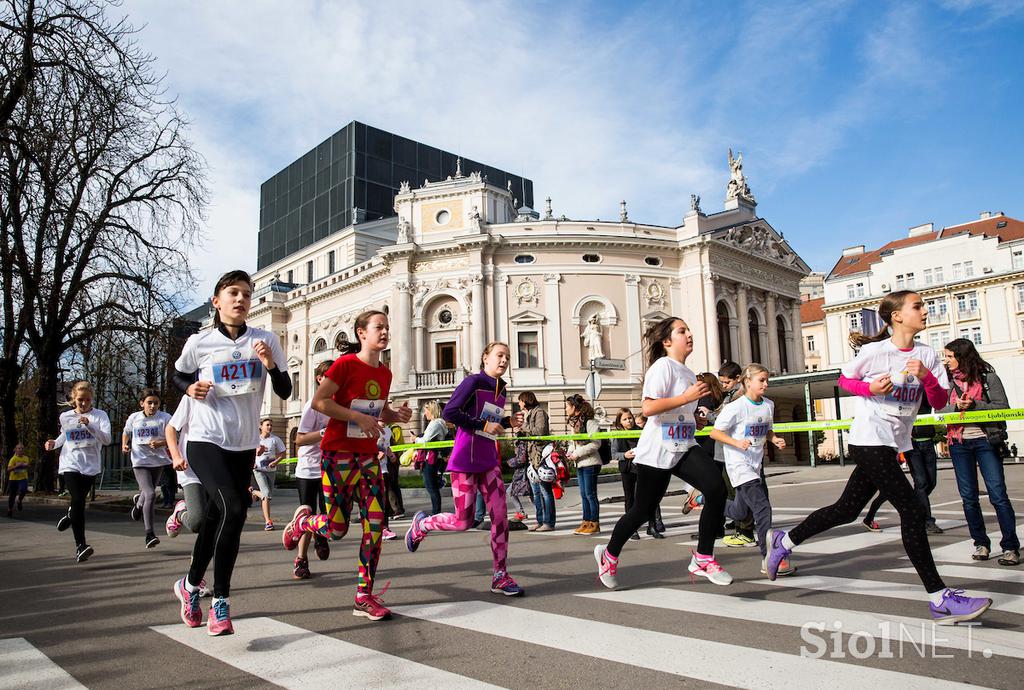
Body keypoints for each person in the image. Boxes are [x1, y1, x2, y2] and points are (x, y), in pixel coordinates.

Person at [764, 290, 992, 624]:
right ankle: (938, 598)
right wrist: (870, 389)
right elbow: (845, 381)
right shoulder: (875, 352)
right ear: (896, 316)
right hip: (869, 439)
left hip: (894, 443)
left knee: (846, 509)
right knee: (912, 510)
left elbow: (941, 400)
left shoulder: (928, 355)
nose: (925, 311)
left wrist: (926, 377)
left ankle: (785, 539)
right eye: (918, 306)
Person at [170, 269, 291, 636]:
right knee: (235, 510)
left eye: (246, 294)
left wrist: (269, 364)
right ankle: (219, 602)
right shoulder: (199, 341)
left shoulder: (265, 339)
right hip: (206, 441)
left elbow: (284, 390)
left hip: (242, 444)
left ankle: (190, 586)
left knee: (213, 517)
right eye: (233, 293)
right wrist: (190, 389)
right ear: (217, 301)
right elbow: (178, 375)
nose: (241, 299)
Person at [280, 310, 411, 622]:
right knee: (337, 529)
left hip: (367, 457)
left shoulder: (385, 373)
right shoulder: (345, 364)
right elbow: (319, 403)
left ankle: (363, 596)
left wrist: (395, 416)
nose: (384, 332)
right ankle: (303, 524)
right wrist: (356, 417)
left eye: (387, 328)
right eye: (378, 327)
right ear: (361, 333)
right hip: (337, 454)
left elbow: (377, 411)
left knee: (376, 524)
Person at [595, 317, 731, 589]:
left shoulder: (688, 373)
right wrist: (686, 399)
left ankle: (703, 557)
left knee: (716, 488)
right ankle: (608, 555)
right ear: (667, 341)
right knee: (642, 512)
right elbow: (648, 409)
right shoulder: (663, 366)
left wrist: (696, 419)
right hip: (657, 449)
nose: (689, 334)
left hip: (683, 446)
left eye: (689, 329)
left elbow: (680, 412)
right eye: (683, 331)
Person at [405, 342, 526, 597]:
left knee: (500, 518)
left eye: (507, 356)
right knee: (463, 522)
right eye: (499, 355)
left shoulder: (501, 389)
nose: (504, 360)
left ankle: (500, 575)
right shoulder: (473, 382)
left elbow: (489, 423)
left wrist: (506, 421)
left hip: (488, 461)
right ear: (485, 358)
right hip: (464, 461)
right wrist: (484, 424)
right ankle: (422, 525)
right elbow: (450, 412)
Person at [940, 338, 1019, 566]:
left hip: (986, 441)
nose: (946, 361)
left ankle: (1010, 547)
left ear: (962, 356)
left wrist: (975, 405)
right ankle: (981, 543)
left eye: (949, 356)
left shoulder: (988, 379)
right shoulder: (947, 382)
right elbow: (939, 409)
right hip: (958, 443)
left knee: (998, 495)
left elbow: (1002, 408)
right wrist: (955, 407)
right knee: (968, 498)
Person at [709, 363, 793, 576]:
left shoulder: (768, 405)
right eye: (761, 380)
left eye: (766, 380)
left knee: (739, 511)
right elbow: (715, 433)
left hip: (755, 464)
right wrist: (736, 443)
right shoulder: (735, 407)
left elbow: (767, 429)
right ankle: (768, 557)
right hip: (739, 465)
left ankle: (703, 500)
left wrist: (774, 440)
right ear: (747, 382)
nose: (766, 384)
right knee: (763, 508)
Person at [45, 380, 110, 563]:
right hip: (70, 463)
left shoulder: (100, 416)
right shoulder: (65, 417)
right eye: (80, 400)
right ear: (74, 399)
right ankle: (81, 545)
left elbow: (106, 439)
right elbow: (65, 436)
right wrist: (53, 444)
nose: (84, 403)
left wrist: (90, 425)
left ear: (92, 400)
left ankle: (70, 514)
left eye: (87, 400)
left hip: (90, 466)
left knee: (79, 502)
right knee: (78, 500)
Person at [860, 396, 943, 535]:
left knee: (927, 484)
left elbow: (938, 401)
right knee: (916, 485)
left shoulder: (924, 391)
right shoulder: (901, 395)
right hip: (908, 445)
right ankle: (928, 521)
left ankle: (869, 517)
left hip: (927, 442)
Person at [162, 395, 211, 597]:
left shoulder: (235, 398)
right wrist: (175, 455)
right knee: (198, 522)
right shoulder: (193, 396)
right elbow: (171, 428)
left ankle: (195, 579)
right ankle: (181, 512)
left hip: (216, 471)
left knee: (211, 530)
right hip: (190, 468)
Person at [290, 360, 333, 580]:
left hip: (328, 468)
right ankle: (301, 560)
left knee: (330, 514)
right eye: (331, 377)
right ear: (320, 379)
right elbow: (299, 439)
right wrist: (325, 433)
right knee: (306, 515)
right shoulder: (312, 406)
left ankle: (321, 537)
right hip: (308, 469)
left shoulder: (338, 405)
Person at [122, 388, 172, 548]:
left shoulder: (165, 418)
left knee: (146, 491)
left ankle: (137, 507)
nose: (152, 406)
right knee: (150, 493)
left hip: (158, 460)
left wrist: (161, 443)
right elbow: (126, 432)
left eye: (156, 403)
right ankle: (149, 534)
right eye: (149, 403)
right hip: (140, 460)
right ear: (142, 403)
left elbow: (174, 437)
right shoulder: (134, 418)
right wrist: (124, 444)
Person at [612, 408, 661, 540]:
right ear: (620, 422)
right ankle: (632, 528)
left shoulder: (641, 432)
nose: (628, 421)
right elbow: (614, 453)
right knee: (629, 498)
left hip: (643, 467)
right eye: (625, 419)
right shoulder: (618, 435)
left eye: (630, 418)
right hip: (627, 469)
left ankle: (652, 526)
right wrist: (624, 455)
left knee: (647, 497)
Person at [565, 393, 602, 535]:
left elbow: (596, 443)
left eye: (567, 406)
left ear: (575, 407)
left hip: (591, 462)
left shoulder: (590, 422)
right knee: (583, 494)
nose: (566, 409)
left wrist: (577, 453)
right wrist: (570, 452)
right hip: (579, 462)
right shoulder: (573, 423)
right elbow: (572, 442)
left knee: (590, 494)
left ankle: (594, 523)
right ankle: (586, 522)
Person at [517, 392, 553, 532]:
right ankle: (539, 520)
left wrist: (524, 428)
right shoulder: (529, 414)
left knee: (545, 492)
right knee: (536, 493)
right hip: (532, 457)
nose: (519, 404)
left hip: (540, 456)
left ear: (526, 401)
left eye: (520, 401)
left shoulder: (539, 413)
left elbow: (540, 431)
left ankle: (548, 522)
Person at [415, 401, 448, 515]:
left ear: (432, 410)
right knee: (432, 487)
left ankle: (436, 513)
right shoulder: (439, 423)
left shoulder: (435, 423)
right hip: (434, 458)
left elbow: (424, 441)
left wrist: (415, 439)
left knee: (431, 487)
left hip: (431, 458)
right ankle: (436, 512)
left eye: (426, 411)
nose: (425, 414)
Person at [253, 418, 286, 530]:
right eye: (267, 425)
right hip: (258, 470)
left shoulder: (275, 439)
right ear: (261, 426)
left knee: (268, 496)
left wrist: (275, 462)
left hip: (271, 470)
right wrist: (252, 463)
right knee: (266, 494)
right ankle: (268, 522)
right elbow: (247, 453)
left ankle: (253, 491)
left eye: (271, 425)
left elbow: (282, 453)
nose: (270, 427)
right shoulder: (255, 439)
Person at [6, 444, 30, 518]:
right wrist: (16, 466)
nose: (20, 450)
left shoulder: (26, 458)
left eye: (22, 449)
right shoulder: (13, 459)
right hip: (13, 479)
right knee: (12, 496)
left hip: (23, 478)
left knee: (23, 490)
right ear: (16, 450)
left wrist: (25, 465)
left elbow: (28, 466)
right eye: (19, 448)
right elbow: (8, 469)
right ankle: (10, 509)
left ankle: (19, 500)